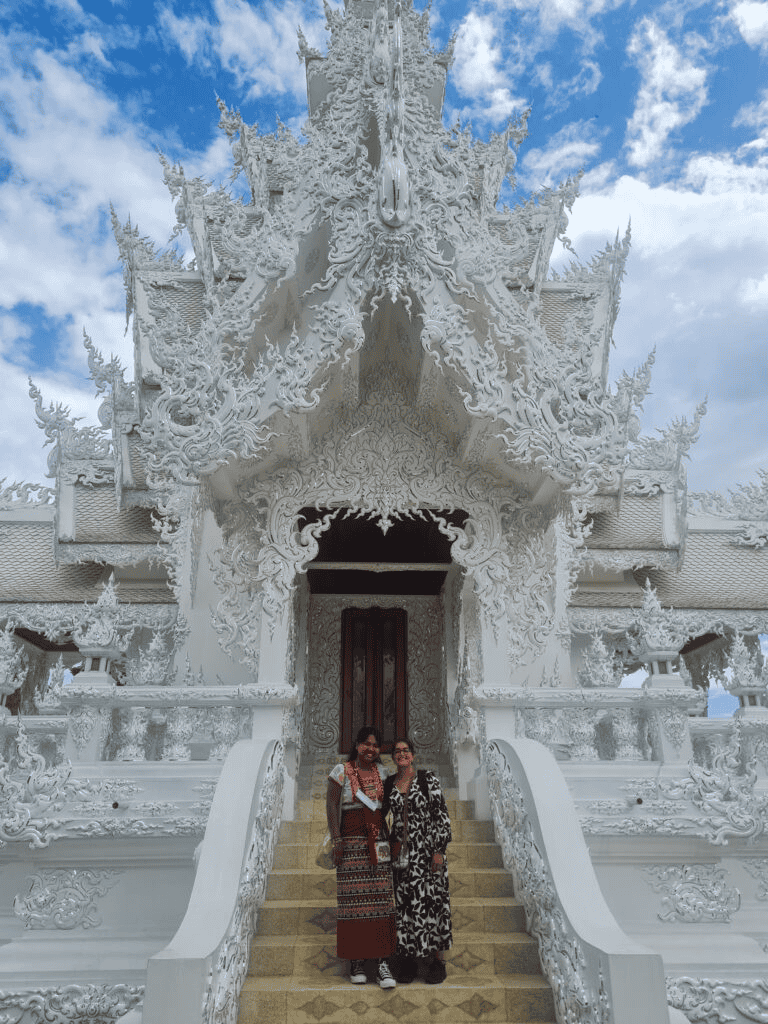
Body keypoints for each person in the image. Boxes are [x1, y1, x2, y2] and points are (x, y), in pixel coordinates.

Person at [326, 725, 397, 989]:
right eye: (366, 744)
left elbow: (387, 808)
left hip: (378, 843)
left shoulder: (383, 773)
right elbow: (332, 805)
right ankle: (356, 961)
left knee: (380, 899)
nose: (371, 749)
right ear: (356, 745)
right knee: (353, 902)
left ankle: (381, 963)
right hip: (350, 843)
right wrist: (336, 839)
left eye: (376, 745)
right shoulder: (341, 771)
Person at [383, 736, 452, 984]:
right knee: (405, 907)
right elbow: (381, 816)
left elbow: (440, 815)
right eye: (397, 751)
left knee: (433, 904)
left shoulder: (426, 779)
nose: (401, 754)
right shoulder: (390, 783)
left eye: (405, 750)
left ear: (412, 755)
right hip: (402, 858)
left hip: (427, 853)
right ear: (393, 758)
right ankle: (409, 959)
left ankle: (437, 962)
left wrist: (439, 850)